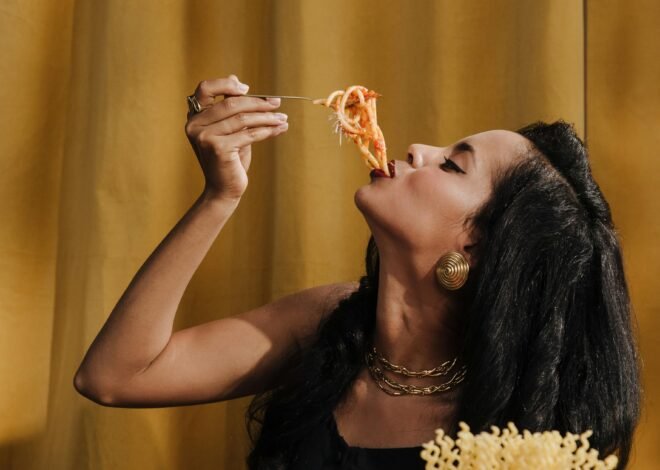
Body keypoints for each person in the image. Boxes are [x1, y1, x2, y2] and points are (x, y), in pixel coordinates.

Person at [74, 75, 642, 470]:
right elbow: (115, 376)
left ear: (474, 248)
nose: (418, 148)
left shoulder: (521, 434)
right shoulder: (330, 324)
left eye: (452, 163)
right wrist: (220, 196)